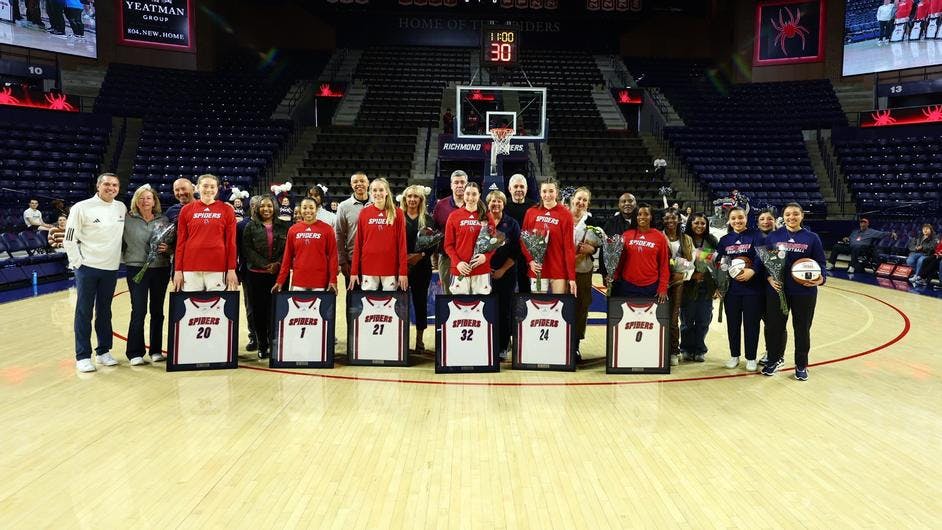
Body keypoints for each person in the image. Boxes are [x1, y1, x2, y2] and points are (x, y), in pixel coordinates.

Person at [63, 173, 127, 373]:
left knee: (105, 312)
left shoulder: (121, 207)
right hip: (87, 268)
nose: (111, 188)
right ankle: (82, 356)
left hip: (111, 269)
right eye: (107, 184)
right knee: (84, 312)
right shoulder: (81, 207)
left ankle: (103, 352)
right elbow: (69, 238)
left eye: (115, 185)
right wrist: (78, 263)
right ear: (98, 186)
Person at [761, 203, 826, 381]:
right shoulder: (774, 236)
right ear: (783, 216)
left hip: (804, 291)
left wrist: (821, 278)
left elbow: (821, 263)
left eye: (795, 214)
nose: (791, 217)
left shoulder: (812, 238)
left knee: (802, 329)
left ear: (802, 216)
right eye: (788, 214)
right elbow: (766, 263)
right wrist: (769, 278)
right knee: (775, 327)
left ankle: (801, 365)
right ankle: (774, 360)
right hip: (778, 291)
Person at [122, 185, 171, 365]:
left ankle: (156, 350)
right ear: (136, 200)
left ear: (154, 201)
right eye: (141, 198)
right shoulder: (127, 219)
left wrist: (168, 249)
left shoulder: (164, 220)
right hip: (136, 268)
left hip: (160, 268)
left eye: (148, 198)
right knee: (139, 310)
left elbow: (171, 243)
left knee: (157, 311)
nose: (145, 201)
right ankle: (135, 352)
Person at [717, 206, 766, 372]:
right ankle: (734, 355)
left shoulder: (757, 236)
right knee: (733, 324)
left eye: (740, 217)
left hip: (753, 289)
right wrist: (722, 273)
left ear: (746, 218)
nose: (737, 221)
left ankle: (751, 357)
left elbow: (762, 257)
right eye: (734, 218)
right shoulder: (724, 240)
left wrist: (752, 271)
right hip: (732, 290)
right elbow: (720, 262)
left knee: (752, 324)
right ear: (729, 221)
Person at [172, 174, 238, 292]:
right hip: (190, 267)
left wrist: (231, 269)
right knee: (192, 307)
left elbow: (231, 243)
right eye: (205, 186)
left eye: (212, 187)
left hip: (218, 266)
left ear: (217, 189)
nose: (208, 189)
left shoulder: (227, 210)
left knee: (216, 307)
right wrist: (178, 270)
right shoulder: (186, 210)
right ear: (197, 188)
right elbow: (180, 243)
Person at [242, 196, 290, 359]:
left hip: (279, 275)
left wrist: (277, 264)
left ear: (275, 207)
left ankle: (276, 343)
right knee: (259, 312)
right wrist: (264, 265)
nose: (266, 209)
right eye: (262, 206)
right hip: (256, 275)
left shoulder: (284, 226)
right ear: (257, 208)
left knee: (277, 310)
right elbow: (247, 249)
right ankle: (262, 345)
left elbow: (288, 250)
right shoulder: (250, 226)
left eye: (269, 205)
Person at [350, 178, 408, 292]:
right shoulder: (364, 212)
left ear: (387, 192)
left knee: (389, 304)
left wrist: (403, 272)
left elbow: (402, 245)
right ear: (370, 192)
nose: (378, 193)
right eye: (374, 190)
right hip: (368, 266)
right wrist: (354, 271)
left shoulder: (398, 213)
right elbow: (358, 243)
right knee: (369, 305)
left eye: (381, 190)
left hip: (390, 267)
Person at [521, 178, 576, 295]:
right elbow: (523, 240)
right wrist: (530, 261)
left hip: (558, 269)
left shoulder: (566, 214)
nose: (547, 195)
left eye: (551, 191)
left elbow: (569, 247)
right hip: (538, 268)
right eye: (544, 191)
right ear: (540, 193)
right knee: (538, 307)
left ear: (556, 192)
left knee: (559, 306)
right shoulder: (531, 212)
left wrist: (572, 277)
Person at [274, 197, 339, 295]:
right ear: (300, 210)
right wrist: (280, 281)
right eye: (304, 208)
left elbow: (333, 257)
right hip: (299, 280)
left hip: (320, 280)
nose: (308, 210)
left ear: (316, 209)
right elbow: (287, 258)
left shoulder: (327, 229)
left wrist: (333, 280)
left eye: (311, 208)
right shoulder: (293, 230)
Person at [486, 190, 521, 361]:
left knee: (505, 310)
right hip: (484, 274)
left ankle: (502, 346)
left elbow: (516, 251)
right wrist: (486, 268)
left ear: (503, 204)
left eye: (499, 201)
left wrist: (502, 270)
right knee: (486, 309)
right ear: (488, 203)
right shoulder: (482, 221)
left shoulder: (512, 224)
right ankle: (487, 343)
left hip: (506, 273)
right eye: (493, 201)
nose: (496, 204)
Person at [444, 182, 496, 295]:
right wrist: (458, 263)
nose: (470, 198)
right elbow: (448, 245)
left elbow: (494, 243)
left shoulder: (487, 217)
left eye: (474, 194)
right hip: (460, 270)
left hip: (481, 269)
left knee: (481, 307)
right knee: (460, 308)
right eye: (467, 194)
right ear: (463, 195)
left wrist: (485, 257)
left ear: (479, 195)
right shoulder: (454, 216)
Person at [679, 213, 718, 362]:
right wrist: (692, 274)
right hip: (688, 286)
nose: (700, 226)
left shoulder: (712, 240)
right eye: (696, 223)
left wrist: (717, 284)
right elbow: (676, 261)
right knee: (687, 321)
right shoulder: (683, 239)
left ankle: (700, 349)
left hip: (706, 287)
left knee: (704, 320)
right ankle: (686, 348)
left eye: (703, 223)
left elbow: (718, 263)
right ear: (690, 223)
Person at [612, 203, 669, 304]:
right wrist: (613, 275)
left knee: (647, 319)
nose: (642, 217)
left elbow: (664, 265)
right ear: (636, 217)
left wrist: (663, 287)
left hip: (651, 286)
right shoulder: (626, 235)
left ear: (651, 217)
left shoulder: (659, 237)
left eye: (646, 214)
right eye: (639, 214)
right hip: (628, 285)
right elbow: (620, 261)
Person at [569, 187, 602, 360]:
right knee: (562, 305)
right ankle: (561, 343)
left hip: (582, 270)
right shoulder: (562, 216)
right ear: (572, 199)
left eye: (584, 200)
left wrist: (592, 249)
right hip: (562, 271)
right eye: (578, 198)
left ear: (588, 204)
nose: (581, 203)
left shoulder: (592, 221)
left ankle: (575, 345)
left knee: (581, 307)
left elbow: (598, 245)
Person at [401, 185, 434, 353]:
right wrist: (404, 259)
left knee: (420, 303)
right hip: (401, 268)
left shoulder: (428, 220)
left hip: (422, 267)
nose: (412, 199)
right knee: (400, 304)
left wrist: (418, 256)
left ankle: (419, 341)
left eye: (416, 197)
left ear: (421, 200)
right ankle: (399, 338)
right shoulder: (397, 217)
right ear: (404, 199)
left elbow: (432, 246)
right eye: (409, 196)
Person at [661, 208, 694, 367]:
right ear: (663, 220)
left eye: (673, 218)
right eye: (667, 218)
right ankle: (659, 348)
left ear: (679, 220)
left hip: (679, 283)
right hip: (660, 282)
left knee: (674, 318)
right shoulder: (658, 236)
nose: (670, 221)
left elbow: (691, 262)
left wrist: (684, 275)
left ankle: (674, 350)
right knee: (660, 317)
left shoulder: (687, 239)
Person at [432, 170, 468, 294]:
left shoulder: (475, 205)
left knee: (468, 295)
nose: (459, 185)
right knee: (447, 294)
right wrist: (435, 258)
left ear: (467, 184)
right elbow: (434, 233)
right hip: (446, 258)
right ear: (451, 185)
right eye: (456, 182)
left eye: (462, 182)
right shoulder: (441, 205)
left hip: (468, 260)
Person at [756, 208, 785, 365]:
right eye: (762, 219)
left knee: (777, 322)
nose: (766, 221)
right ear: (757, 222)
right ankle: (770, 351)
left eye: (769, 219)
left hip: (775, 286)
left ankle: (777, 354)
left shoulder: (782, 239)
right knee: (767, 322)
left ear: (775, 221)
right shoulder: (755, 238)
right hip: (757, 286)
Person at [335, 172, 371, 286]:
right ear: (351, 185)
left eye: (362, 181)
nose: (359, 184)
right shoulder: (343, 206)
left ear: (368, 183)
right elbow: (339, 234)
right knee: (352, 298)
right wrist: (342, 260)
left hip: (374, 259)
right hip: (352, 259)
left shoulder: (378, 203)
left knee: (372, 299)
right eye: (355, 182)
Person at [237, 195, 262, 351]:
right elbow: (237, 249)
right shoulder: (241, 226)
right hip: (248, 271)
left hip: (269, 271)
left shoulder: (272, 224)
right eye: (255, 205)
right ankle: (254, 337)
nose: (257, 208)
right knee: (251, 306)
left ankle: (268, 336)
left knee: (268, 304)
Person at [826, 218, 894, 274]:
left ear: (867, 224)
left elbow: (882, 234)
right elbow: (849, 239)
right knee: (836, 246)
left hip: (863, 249)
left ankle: (852, 267)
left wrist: (891, 234)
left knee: (856, 247)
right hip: (851, 247)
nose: (862, 224)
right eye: (861, 222)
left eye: (864, 222)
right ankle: (831, 264)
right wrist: (846, 238)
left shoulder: (872, 232)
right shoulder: (855, 232)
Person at [504, 173, 535, 294]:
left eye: (522, 187)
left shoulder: (534, 206)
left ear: (526, 189)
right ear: (509, 189)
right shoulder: (502, 205)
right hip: (507, 253)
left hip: (527, 254)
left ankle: (524, 311)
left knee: (525, 287)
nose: (519, 190)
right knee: (506, 287)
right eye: (515, 186)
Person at [599, 192, 637, 285]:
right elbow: (603, 251)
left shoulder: (643, 222)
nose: (627, 203)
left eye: (630, 201)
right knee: (615, 299)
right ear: (619, 205)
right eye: (623, 201)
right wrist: (605, 273)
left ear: (635, 203)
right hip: (615, 275)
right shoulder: (610, 223)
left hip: (637, 273)